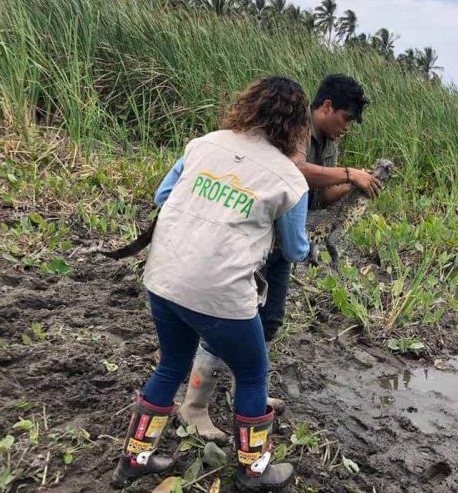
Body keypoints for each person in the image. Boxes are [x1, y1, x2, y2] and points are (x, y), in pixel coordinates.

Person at [111, 76, 314, 490]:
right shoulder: (291, 181)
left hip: (164, 277)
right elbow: (294, 251)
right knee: (254, 374)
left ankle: (134, 459)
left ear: (249, 106)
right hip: (220, 293)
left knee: (171, 363)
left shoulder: (202, 144)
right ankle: (253, 470)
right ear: (297, 125)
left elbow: (162, 196)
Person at [179, 74, 384, 441]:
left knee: (268, 321)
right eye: (346, 118)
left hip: (285, 239)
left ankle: (248, 395)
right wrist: (351, 174)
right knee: (234, 316)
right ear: (326, 108)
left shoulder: (329, 144)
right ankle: (194, 406)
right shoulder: (297, 128)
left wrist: (355, 187)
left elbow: (318, 197)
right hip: (258, 236)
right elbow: (295, 172)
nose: (347, 128)